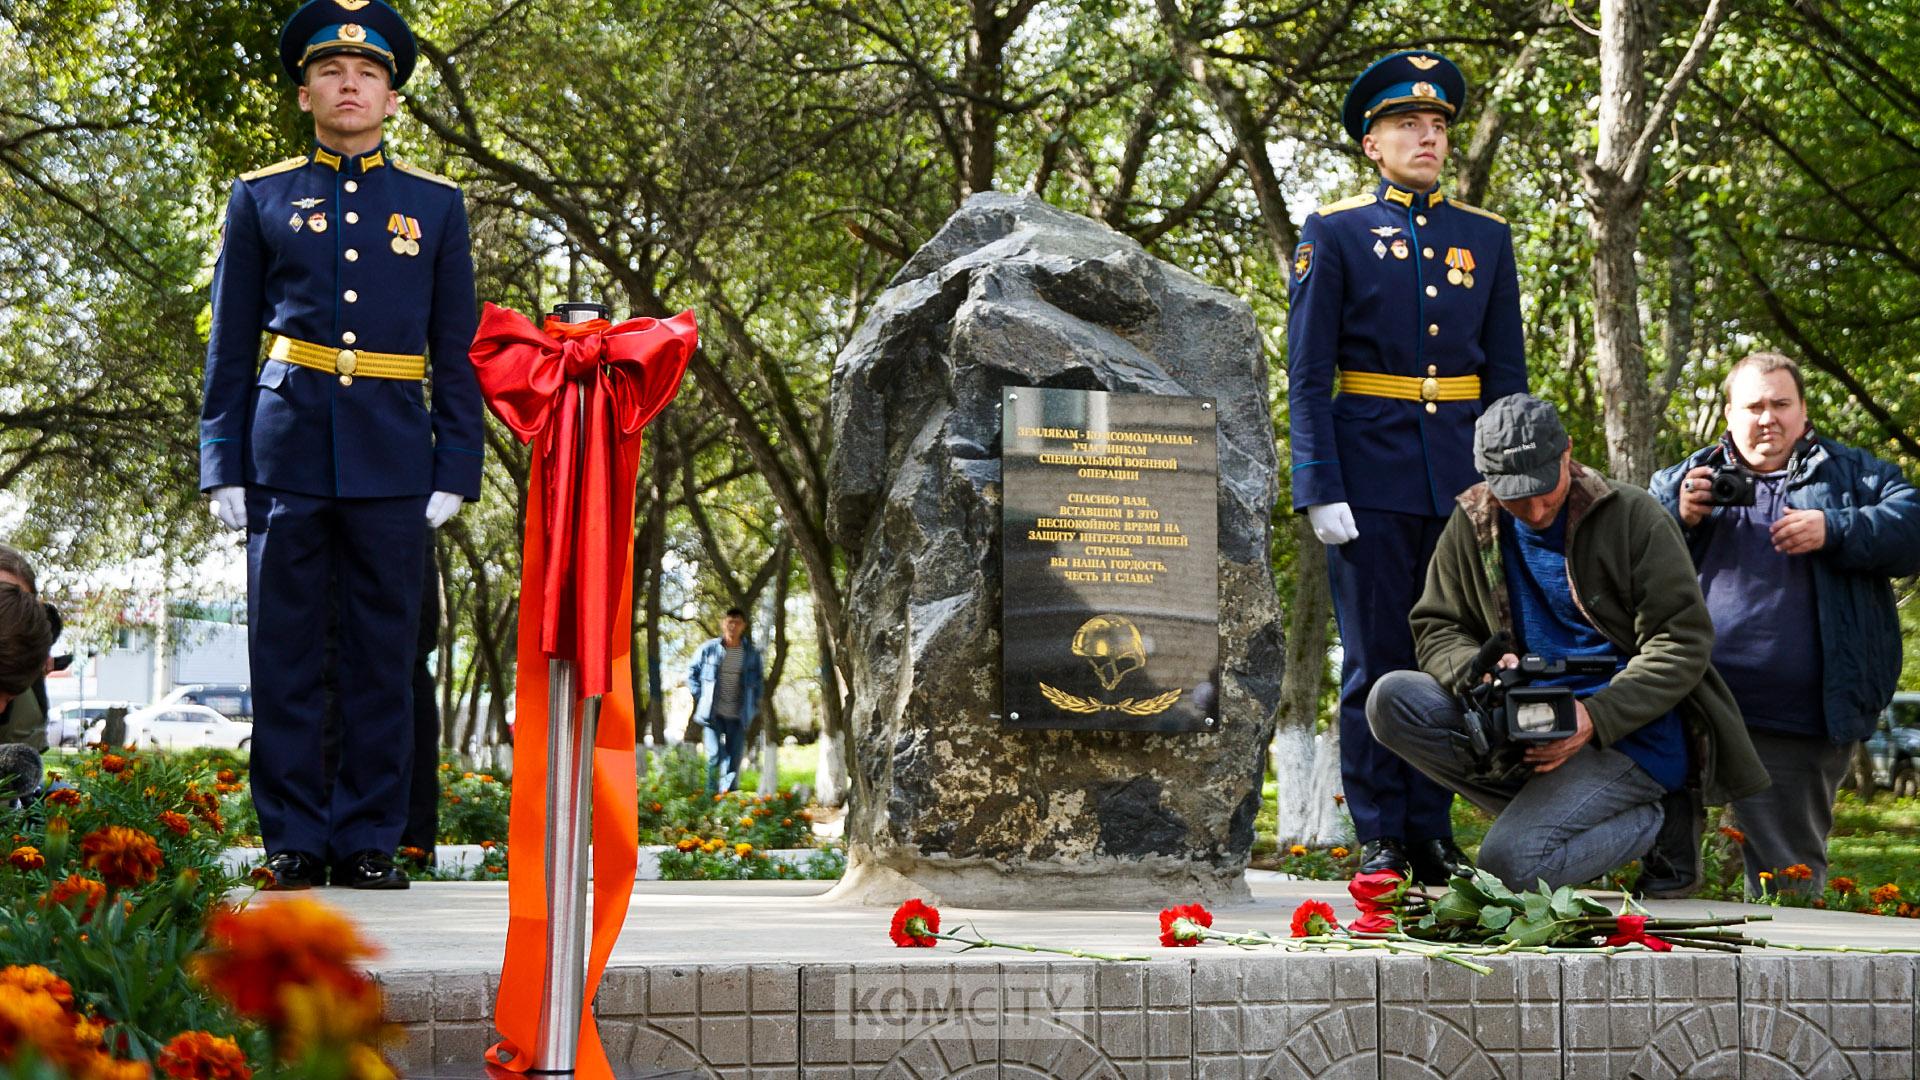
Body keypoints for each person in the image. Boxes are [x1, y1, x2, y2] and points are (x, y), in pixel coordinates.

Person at [198, 0, 484, 890]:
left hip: (396, 458)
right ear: (304, 92)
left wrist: (456, 463)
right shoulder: (260, 196)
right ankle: (291, 838)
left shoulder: (435, 207)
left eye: (367, 74)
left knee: (381, 657)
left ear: (393, 98)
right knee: (283, 654)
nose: (349, 84)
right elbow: (231, 340)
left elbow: (457, 347)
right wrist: (223, 459)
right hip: (283, 455)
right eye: (331, 72)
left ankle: (369, 838)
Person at [1287, 50, 1529, 882]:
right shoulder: (1334, 231)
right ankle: (1382, 831)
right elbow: (1309, 374)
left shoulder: (1487, 238)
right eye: (1406, 125)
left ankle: (1432, 829)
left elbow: (1507, 379)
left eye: (1436, 126)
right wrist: (1318, 483)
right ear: (1371, 143)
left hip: (1463, 483)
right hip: (1371, 476)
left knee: (1458, 655)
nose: (1426, 137)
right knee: (1376, 660)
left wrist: (1509, 481)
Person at [1366, 394, 1768, 889]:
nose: (1533, 509)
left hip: (1625, 733)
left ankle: (1658, 820)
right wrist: (1481, 669)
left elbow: (1679, 643)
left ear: (1567, 453)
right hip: (1519, 725)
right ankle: (1554, 811)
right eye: (1514, 494)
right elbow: (1436, 627)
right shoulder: (1471, 524)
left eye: (1543, 488)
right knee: (1392, 699)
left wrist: (1593, 717)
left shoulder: (1634, 516)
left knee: (1509, 868)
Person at [1651, 353, 1920, 896]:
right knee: (1664, 874)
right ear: (1729, 414)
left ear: (1802, 413)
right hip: (1687, 708)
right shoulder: (1684, 480)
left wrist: (1836, 528)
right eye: (1754, 406)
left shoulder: (1855, 477)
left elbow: (1913, 527)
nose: (1767, 417)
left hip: (1798, 719)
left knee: (1788, 886)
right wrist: (1675, 516)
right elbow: (1617, 559)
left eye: (1781, 404)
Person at [686, 608, 763, 796]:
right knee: (714, 756)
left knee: (734, 760)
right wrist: (700, 695)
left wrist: (753, 706)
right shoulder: (709, 649)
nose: (733, 626)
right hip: (713, 714)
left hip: (738, 715)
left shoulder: (751, 654)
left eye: (737, 623)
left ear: (743, 626)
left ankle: (728, 798)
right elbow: (691, 673)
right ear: (723, 623)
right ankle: (711, 797)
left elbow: (759, 682)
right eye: (730, 622)